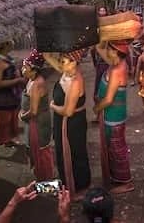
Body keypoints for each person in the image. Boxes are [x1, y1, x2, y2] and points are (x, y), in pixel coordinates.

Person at [45, 49, 91, 199]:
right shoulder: (66, 71)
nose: (60, 64)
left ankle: (79, 188)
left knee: (75, 153)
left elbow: (68, 111)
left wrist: (52, 106)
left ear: (74, 62)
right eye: (60, 61)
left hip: (72, 124)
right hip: (62, 122)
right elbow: (47, 56)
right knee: (63, 152)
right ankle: (67, 182)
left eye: (63, 61)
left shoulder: (76, 80)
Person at [94, 41, 134, 194]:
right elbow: (99, 47)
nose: (108, 54)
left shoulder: (118, 69)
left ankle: (126, 182)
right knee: (113, 148)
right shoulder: (115, 62)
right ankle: (117, 177)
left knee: (117, 149)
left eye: (111, 51)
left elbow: (109, 100)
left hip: (114, 115)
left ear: (119, 53)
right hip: (111, 115)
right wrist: (101, 36)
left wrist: (96, 108)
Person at [19, 49, 55, 181]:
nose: (22, 68)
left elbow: (33, 111)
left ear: (34, 70)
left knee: (41, 151)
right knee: (36, 149)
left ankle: (45, 180)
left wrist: (22, 116)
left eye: (25, 66)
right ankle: (40, 176)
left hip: (38, 122)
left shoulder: (36, 84)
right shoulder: (31, 80)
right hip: (34, 121)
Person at [0, 41, 25, 146]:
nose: (13, 43)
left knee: (12, 118)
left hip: (10, 93)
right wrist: (18, 81)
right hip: (0, 96)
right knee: (2, 122)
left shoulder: (5, 57)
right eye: (10, 42)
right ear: (5, 45)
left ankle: (8, 139)